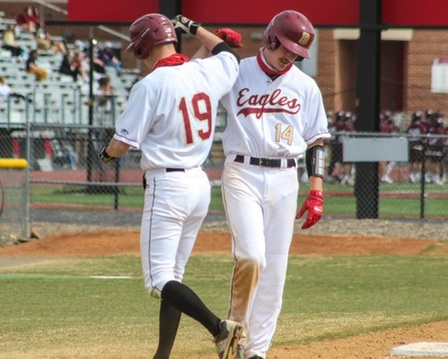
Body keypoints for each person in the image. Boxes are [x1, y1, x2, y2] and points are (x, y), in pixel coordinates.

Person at [98, 13, 242, 359]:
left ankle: (219, 328)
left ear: (145, 45)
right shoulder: (204, 70)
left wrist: (104, 155)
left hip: (168, 184)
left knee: (158, 281)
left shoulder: (149, 85)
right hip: (199, 182)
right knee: (172, 277)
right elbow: (228, 53)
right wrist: (197, 30)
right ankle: (161, 355)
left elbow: (120, 146)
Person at [200, 10, 330, 359]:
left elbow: (317, 140)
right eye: (286, 47)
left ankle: (256, 351)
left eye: (298, 53)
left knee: (275, 270)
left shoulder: (305, 86)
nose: (291, 56)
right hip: (243, 172)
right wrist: (209, 47)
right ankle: (233, 334)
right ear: (271, 38)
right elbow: (192, 82)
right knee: (252, 257)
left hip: (286, 178)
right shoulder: (238, 70)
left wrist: (316, 189)